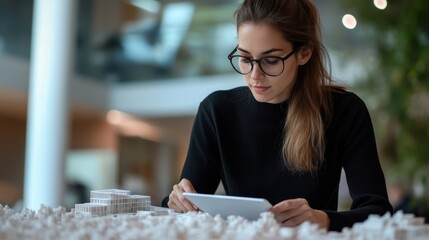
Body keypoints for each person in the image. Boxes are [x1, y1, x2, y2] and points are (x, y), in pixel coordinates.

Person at [162, 0, 393, 232]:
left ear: (304, 53)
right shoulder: (216, 111)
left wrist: (323, 219)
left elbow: (378, 212)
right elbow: (187, 204)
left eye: (271, 60)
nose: (255, 75)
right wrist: (177, 201)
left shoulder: (345, 111)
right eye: (244, 58)